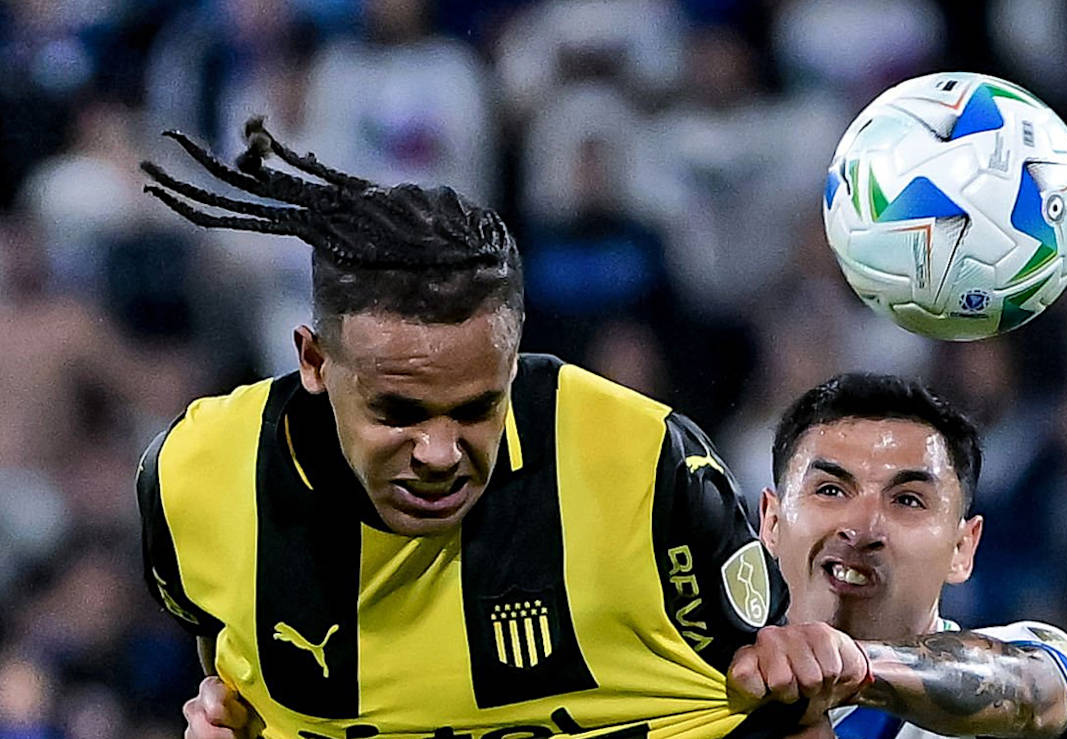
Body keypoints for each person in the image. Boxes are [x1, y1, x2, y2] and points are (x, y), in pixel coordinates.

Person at [135, 118, 794, 739]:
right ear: (314, 361)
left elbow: (781, 690)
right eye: (398, 412)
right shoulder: (196, 477)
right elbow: (222, 665)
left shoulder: (646, 463)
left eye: (478, 408)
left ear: (512, 356)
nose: (440, 453)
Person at [728, 373, 1067, 737]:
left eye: (907, 500)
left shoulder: (1024, 677)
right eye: (831, 490)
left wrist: (851, 667)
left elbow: (1034, 689)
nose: (861, 529)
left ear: (961, 549)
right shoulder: (710, 682)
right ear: (771, 523)